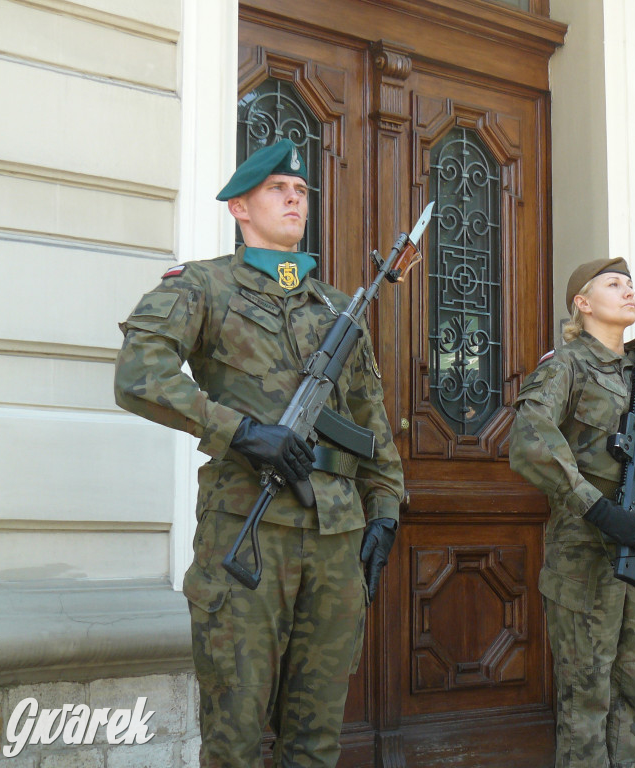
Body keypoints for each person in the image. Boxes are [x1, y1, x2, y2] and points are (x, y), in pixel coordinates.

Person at [114, 138, 404, 767]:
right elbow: (139, 373)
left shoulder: (334, 305)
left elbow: (369, 420)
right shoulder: (204, 285)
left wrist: (385, 509)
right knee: (236, 737)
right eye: (278, 189)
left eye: (301, 191)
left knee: (316, 739)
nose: (295, 198)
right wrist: (240, 431)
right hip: (247, 534)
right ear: (240, 208)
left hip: (336, 539)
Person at [509, 258, 635, 768]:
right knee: (585, 699)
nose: (627, 290)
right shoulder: (566, 365)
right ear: (582, 303)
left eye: (630, 284)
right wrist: (597, 507)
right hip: (587, 552)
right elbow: (529, 440)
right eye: (613, 283)